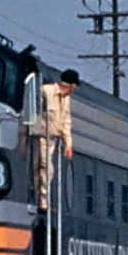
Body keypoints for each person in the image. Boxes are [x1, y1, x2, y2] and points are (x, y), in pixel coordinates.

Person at [29, 69, 78, 211]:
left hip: (53, 140)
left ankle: (41, 198)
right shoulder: (45, 91)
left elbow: (66, 122)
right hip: (41, 137)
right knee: (45, 168)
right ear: (70, 85)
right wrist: (34, 130)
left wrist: (68, 144)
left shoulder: (66, 100)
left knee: (47, 170)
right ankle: (43, 201)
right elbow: (34, 109)